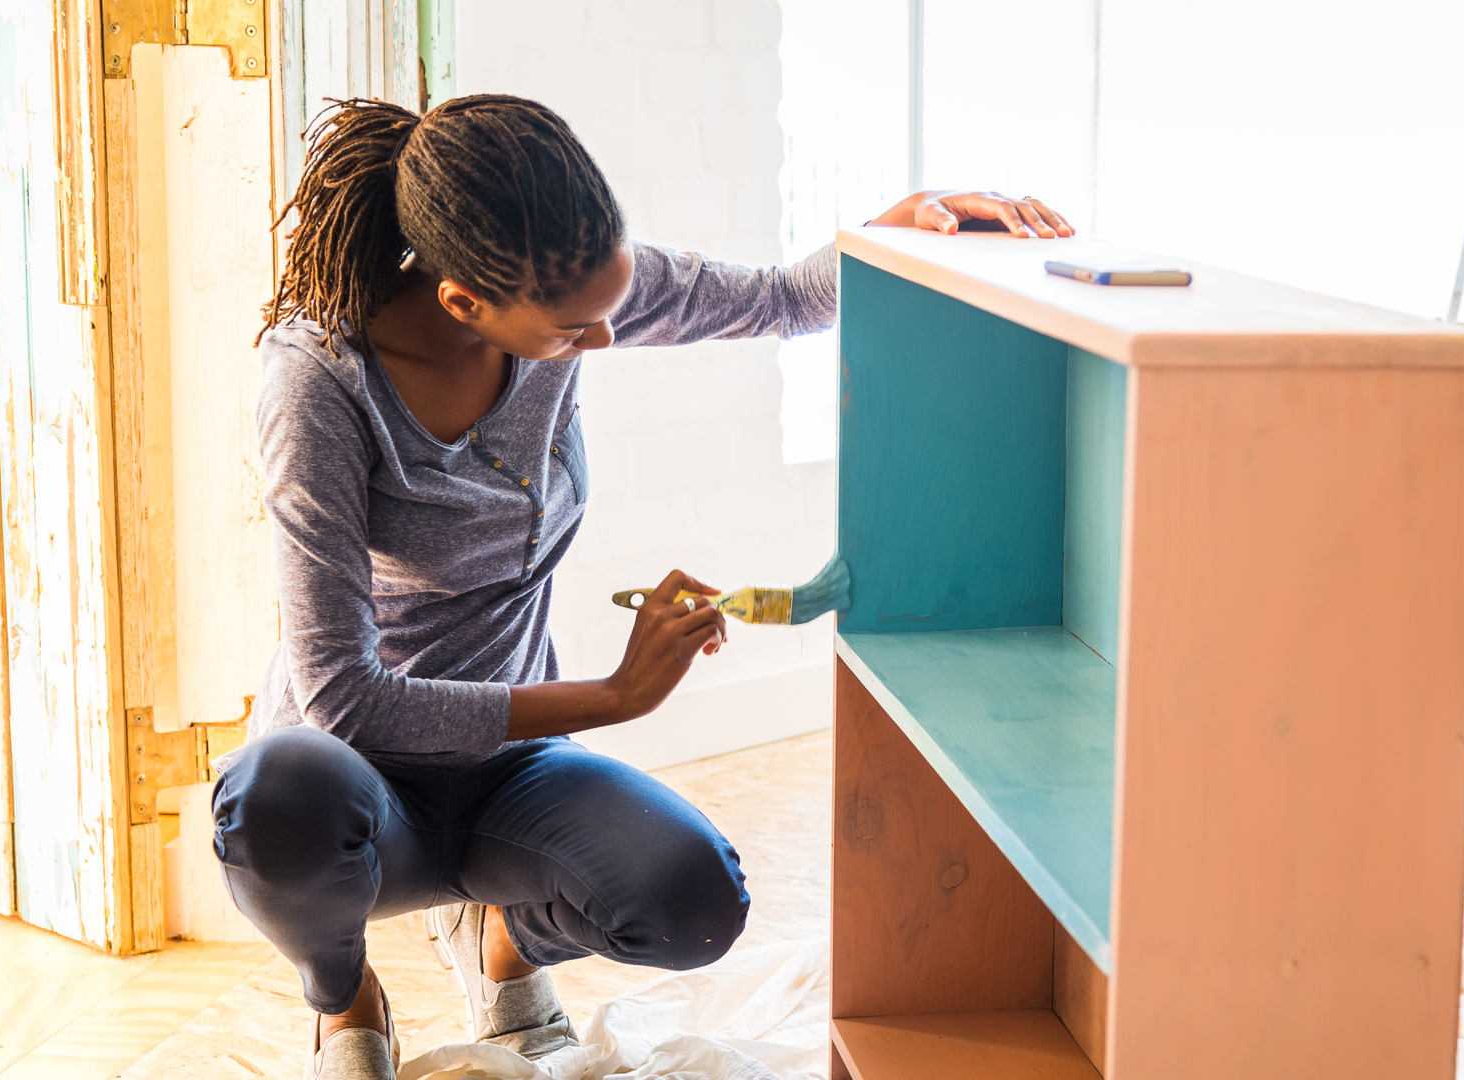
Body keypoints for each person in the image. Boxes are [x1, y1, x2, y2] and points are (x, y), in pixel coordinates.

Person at [212, 93, 1074, 1080]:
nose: (604, 342)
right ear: (465, 304)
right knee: (270, 801)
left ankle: (504, 950)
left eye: (609, 310)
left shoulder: (566, 290)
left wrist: (901, 229)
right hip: (358, 785)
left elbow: (779, 298)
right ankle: (345, 998)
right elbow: (342, 700)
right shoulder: (319, 382)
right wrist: (616, 697)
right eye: (575, 330)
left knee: (694, 897)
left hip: (507, 770)